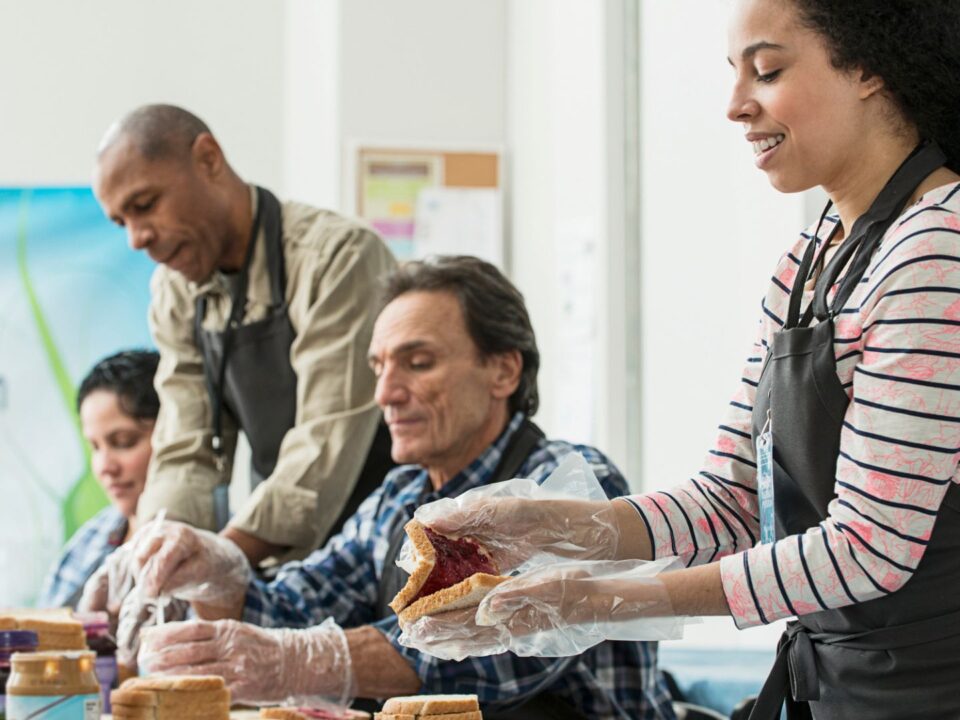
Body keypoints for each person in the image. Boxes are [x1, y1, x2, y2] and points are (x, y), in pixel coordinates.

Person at [403, 2, 960, 719]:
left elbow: (866, 548)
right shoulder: (807, 263)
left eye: (767, 70)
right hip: (840, 691)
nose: (734, 106)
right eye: (732, 75)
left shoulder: (934, 252)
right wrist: (543, 526)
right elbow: (731, 499)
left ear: (868, 68)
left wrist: (601, 599)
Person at [115, 257, 675, 719]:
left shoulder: (571, 482)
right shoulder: (400, 496)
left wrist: (309, 661)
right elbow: (295, 608)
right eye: (379, 367)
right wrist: (221, 574)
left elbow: (491, 649)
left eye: (418, 363)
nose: (386, 392)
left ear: (503, 371)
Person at [92, 105, 397, 566]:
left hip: (385, 536)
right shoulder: (177, 293)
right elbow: (186, 450)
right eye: (121, 222)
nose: (136, 239)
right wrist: (151, 556)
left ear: (208, 159)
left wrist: (222, 556)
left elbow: (325, 442)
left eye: (145, 205)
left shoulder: (336, 258)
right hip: (278, 550)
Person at [38, 350, 160, 609]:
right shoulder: (89, 542)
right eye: (95, 447)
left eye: (124, 442)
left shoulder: (217, 551)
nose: (105, 467)